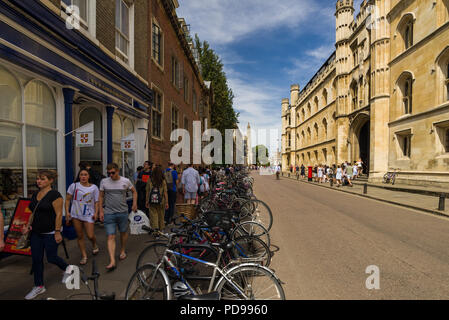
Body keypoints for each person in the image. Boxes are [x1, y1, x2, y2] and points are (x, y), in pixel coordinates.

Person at [22, 170, 70, 300]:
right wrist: (27, 226)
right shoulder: (35, 194)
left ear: (50, 181)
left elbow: (59, 214)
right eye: (38, 179)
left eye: (42, 179)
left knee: (52, 257)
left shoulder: (55, 195)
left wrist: (57, 231)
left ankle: (68, 269)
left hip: (50, 232)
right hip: (36, 232)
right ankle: (39, 286)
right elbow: (33, 212)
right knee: (36, 260)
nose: (39, 181)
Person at [99, 163, 137, 272]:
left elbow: (134, 192)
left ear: (117, 171)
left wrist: (134, 203)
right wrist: (101, 210)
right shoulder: (104, 182)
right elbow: (101, 196)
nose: (110, 175)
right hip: (109, 213)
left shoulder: (125, 181)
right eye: (108, 173)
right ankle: (112, 261)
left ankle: (122, 250)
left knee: (123, 232)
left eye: (112, 173)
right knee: (110, 236)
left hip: (123, 212)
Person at [65, 169, 100, 265]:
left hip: (89, 214)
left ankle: (94, 244)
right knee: (80, 236)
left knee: (90, 235)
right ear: (79, 176)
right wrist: (67, 212)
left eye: (85, 175)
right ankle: (84, 256)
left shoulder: (94, 188)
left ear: (89, 176)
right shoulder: (74, 186)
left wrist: (96, 213)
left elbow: (97, 201)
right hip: (76, 214)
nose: (83, 176)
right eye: (81, 175)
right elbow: (67, 199)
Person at [146, 166, 169, 232]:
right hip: (161, 201)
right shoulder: (163, 181)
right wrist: (167, 202)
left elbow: (147, 191)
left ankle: (156, 230)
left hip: (152, 201)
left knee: (154, 216)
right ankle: (161, 230)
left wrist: (146, 201)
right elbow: (165, 192)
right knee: (161, 215)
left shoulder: (150, 179)